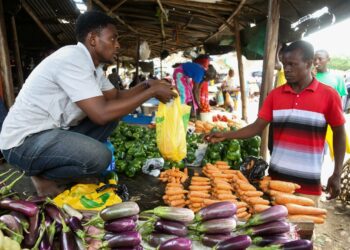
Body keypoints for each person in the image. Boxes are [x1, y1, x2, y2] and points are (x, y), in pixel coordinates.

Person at [0, 11, 177, 196]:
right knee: (100, 157)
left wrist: (147, 84)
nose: (118, 45)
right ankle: (45, 178)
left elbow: (115, 97)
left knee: (113, 117)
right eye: (113, 39)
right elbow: (100, 114)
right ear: (93, 39)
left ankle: (47, 173)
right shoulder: (72, 59)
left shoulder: (93, 67)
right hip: (22, 143)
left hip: (48, 133)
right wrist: (151, 92)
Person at [205, 41, 346, 202]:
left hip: (308, 185)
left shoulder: (329, 95)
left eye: (292, 64)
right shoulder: (275, 95)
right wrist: (226, 135)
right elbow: (257, 127)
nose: (286, 69)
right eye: (285, 64)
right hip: (275, 183)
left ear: (308, 63)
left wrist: (336, 173)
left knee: (304, 227)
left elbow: (339, 134)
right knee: (275, 226)